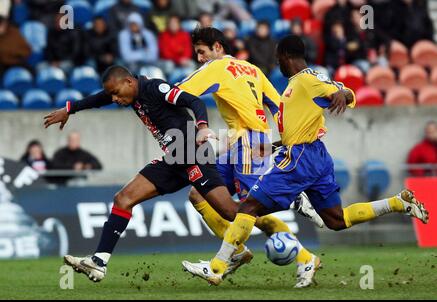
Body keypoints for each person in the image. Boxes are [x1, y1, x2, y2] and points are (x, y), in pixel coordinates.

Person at [203, 35, 429, 287]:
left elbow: (342, 92)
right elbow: (332, 96)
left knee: (248, 208)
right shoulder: (307, 79)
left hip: (300, 158)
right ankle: (397, 203)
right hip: (316, 155)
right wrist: (274, 146)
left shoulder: (305, 81)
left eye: (278, 58)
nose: (277, 62)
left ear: (286, 57)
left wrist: (343, 93)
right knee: (336, 220)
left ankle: (216, 268)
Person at [43, 65, 253, 282]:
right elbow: (99, 99)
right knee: (123, 199)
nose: (114, 98)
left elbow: (194, 101)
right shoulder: (129, 94)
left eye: (116, 92)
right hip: (173, 161)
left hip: (195, 154)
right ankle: (98, 263)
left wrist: (202, 127)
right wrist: (69, 108)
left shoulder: (155, 88)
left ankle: (274, 205)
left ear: (129, 82)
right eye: (111, 94)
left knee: (230, 211)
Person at [174, 27, 323, 288]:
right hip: (243, 144)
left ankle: (303, 251)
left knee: (249, 208)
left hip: (250, 144)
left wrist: (149, 92)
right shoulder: (253, 69)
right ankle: (238, 252)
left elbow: (178, 92)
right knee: (199, 194)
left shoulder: (216, 68)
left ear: (217, 48)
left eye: (201, 52)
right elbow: (280, 107)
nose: (199, 58)